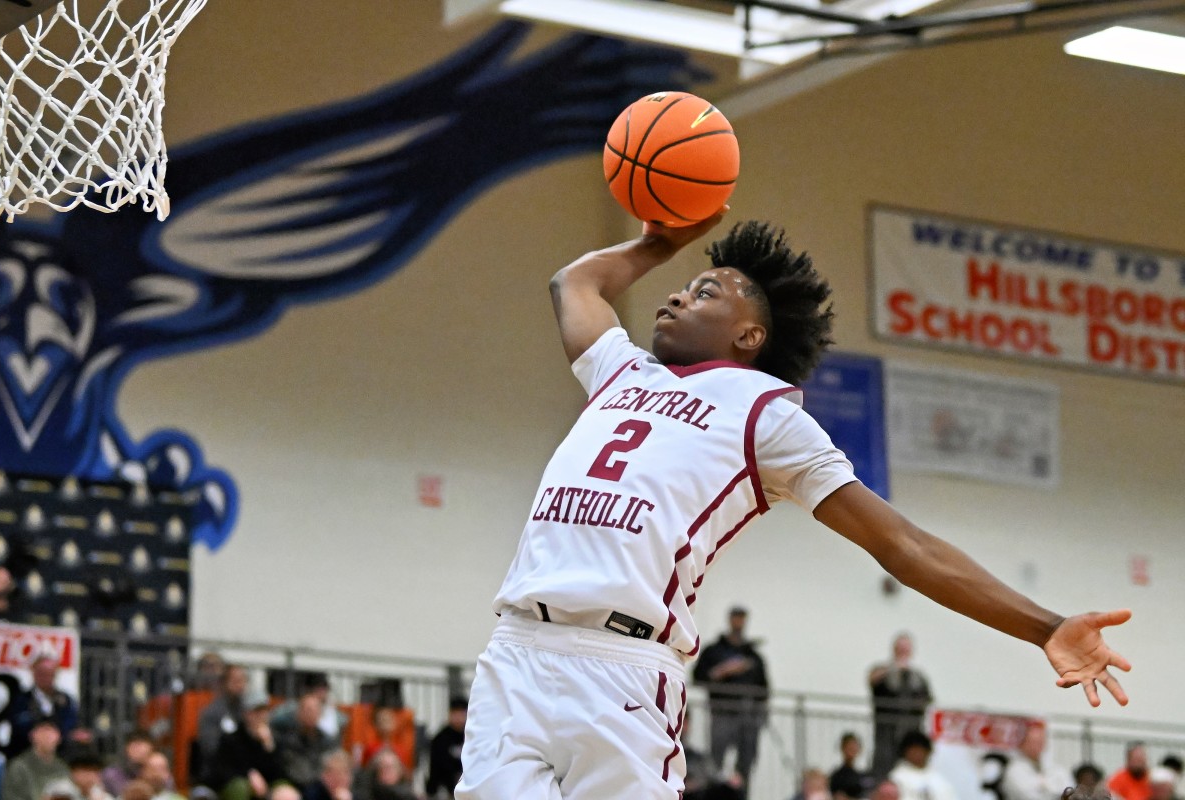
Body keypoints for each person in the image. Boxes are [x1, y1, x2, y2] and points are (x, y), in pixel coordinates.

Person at [456, 213, 1132, 800]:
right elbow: (573, 283)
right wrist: (659, 242)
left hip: (622, 671)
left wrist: (1043, 626)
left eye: (705, 290)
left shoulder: (767, 416)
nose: (675, 293)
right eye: (686, 284)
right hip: (518, 649)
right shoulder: (621, 371)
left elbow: (903, 544)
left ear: (748, 337)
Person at [693, 606, 770, 787]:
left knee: (746, 763)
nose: (739, 622)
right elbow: (698, 677)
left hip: (749, 716)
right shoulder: (714, 651)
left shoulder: (753, 657)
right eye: (736, 618)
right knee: (716, 762)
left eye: (742, 618)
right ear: (730, 620)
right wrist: (722, 671)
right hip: (722, 712)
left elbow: (764, 690)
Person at [868, 634, 932, 779]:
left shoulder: (918, 676)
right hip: (887, 733)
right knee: (884, 770)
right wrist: (893, 668)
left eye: (906, 649)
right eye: (900, 648)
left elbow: (927, 699)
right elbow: (872, 680)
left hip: (910, 732)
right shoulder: (883, 671)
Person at [205, 688, 285, 800]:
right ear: (246, 713)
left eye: (264, 711)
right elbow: (223, 771)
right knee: (240, 788)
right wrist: (248, 773)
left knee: (286, 792)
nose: (261, 716)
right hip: (238, 783)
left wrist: (269, 746)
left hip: (266, 785)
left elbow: (278, 773)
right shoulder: (232, 738)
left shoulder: (275, 739)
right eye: (256, 711)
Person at [12, 655, 87, 754]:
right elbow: (19, 725)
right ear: (34, 673)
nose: (46, 677)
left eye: (50, 673)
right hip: (27, 753)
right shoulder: (22, 700)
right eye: (42, 673)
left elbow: (71, 723)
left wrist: (60, 735)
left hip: (61, 754)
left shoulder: (65, 700)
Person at [272, 695, 334, 788]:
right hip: (293, 787)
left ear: (320, 714)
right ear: (298, 713)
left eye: (313, 710)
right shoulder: (286, 740)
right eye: (306, 710)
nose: (309, 714)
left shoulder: (327, 741)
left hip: (320, 789)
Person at [197, 665, 249, 773]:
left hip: (245, 768)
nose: (240, 685)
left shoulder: (247, 711)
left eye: (243, 680)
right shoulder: (211, 713)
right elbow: (210, 749)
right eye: (236, 681)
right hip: (219, 772)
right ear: (224, 683)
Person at [3, 718, 71, 800]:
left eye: (51, 731)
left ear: (59, 737)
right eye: (43, 731)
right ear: (32, 735)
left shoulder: (63, 768)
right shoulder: (18, 767)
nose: (47, 736)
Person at [1002, 724, 1072, 800]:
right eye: (1032, 741)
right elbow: (1029, 796)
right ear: (1023, 743)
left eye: (1040, 741)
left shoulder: (1055, 767)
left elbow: (1068, 790)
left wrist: (1042, 785)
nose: (1036, 746)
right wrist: (1052, 785)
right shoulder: (1014, 769)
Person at [888, 731, 956, 800]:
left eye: (920, 749)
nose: (917, 753)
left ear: (928, 751)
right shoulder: (896, 778)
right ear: (904, 752)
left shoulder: (939, 780)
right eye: (913, 750)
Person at [425, 697, 468, 798]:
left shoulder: (472, 737)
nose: (458, 718)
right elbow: (435, 769)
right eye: (455, 713)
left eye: (461, 714)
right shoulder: (440, 739)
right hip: (445, 789)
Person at [102, 731, 155, 797]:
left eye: (140, 744)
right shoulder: (112, 773)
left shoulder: (158, 769)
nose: (136, 749)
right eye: (132, 744)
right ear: (126, 748)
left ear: (151, 748)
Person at [830, 733, 872, 800]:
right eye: (849, 747)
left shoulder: (863, 774)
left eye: (854, 746)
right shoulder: (837, 776)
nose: (852, 749)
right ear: (842, 748)